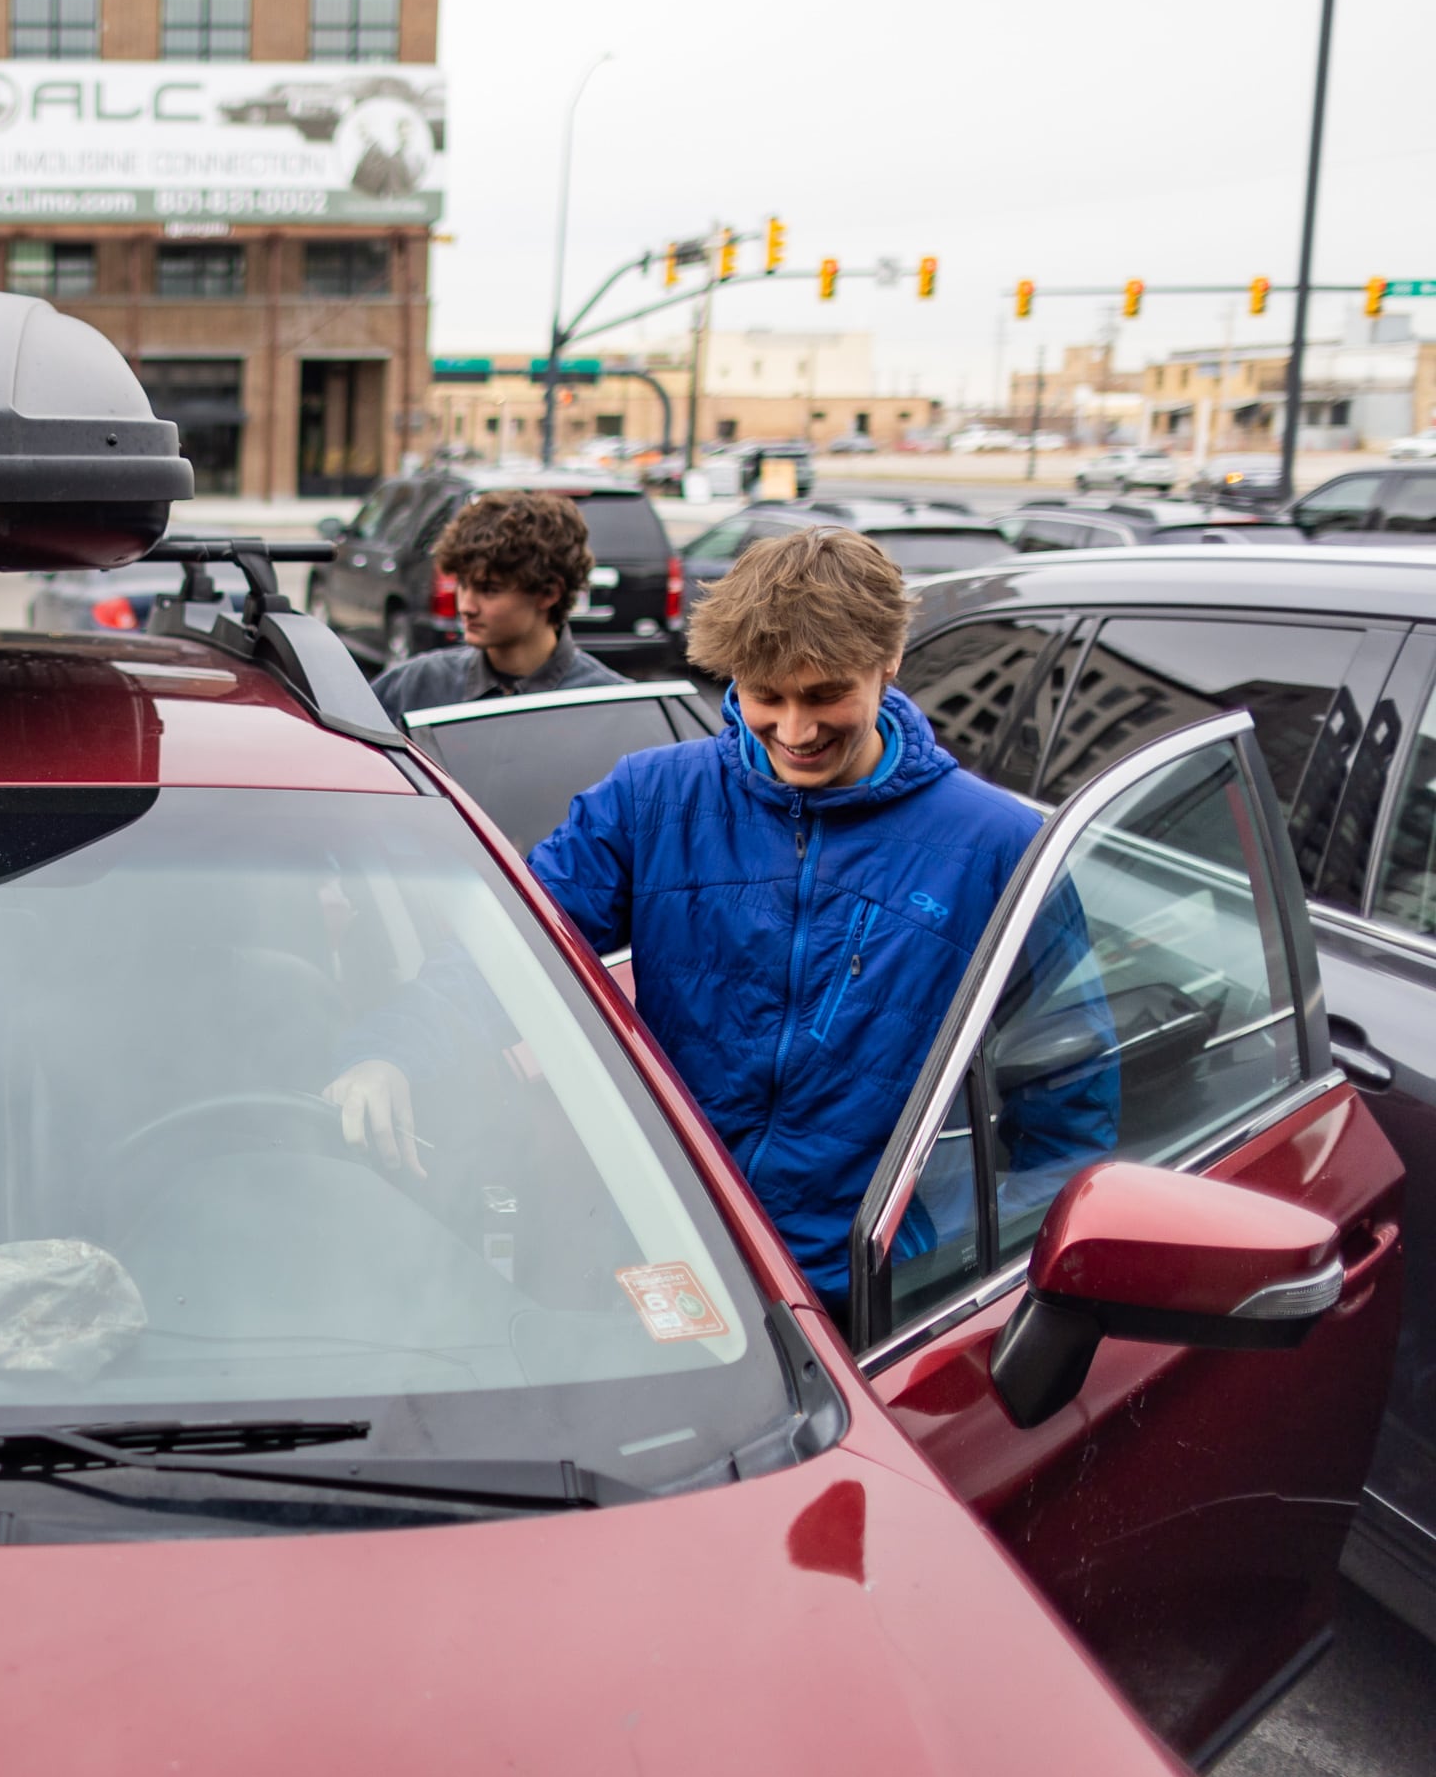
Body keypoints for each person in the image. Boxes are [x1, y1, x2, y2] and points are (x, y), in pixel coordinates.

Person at [330, 526, 1109, 1313]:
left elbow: (1066, 1086)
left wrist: (989, 1279)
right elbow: (509, 955)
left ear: (889, 662)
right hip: (678, 1250)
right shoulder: (651, 799)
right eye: (767, 695)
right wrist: (394, 1053)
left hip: (876, 1292)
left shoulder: (997, 846)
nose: (796, 732)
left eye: (826, 694)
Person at [369, 489, 628, 719]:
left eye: (488, 590)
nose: (466, 606)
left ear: (549, 593)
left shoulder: (610, 705)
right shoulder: (417, 685)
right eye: (463, 584)